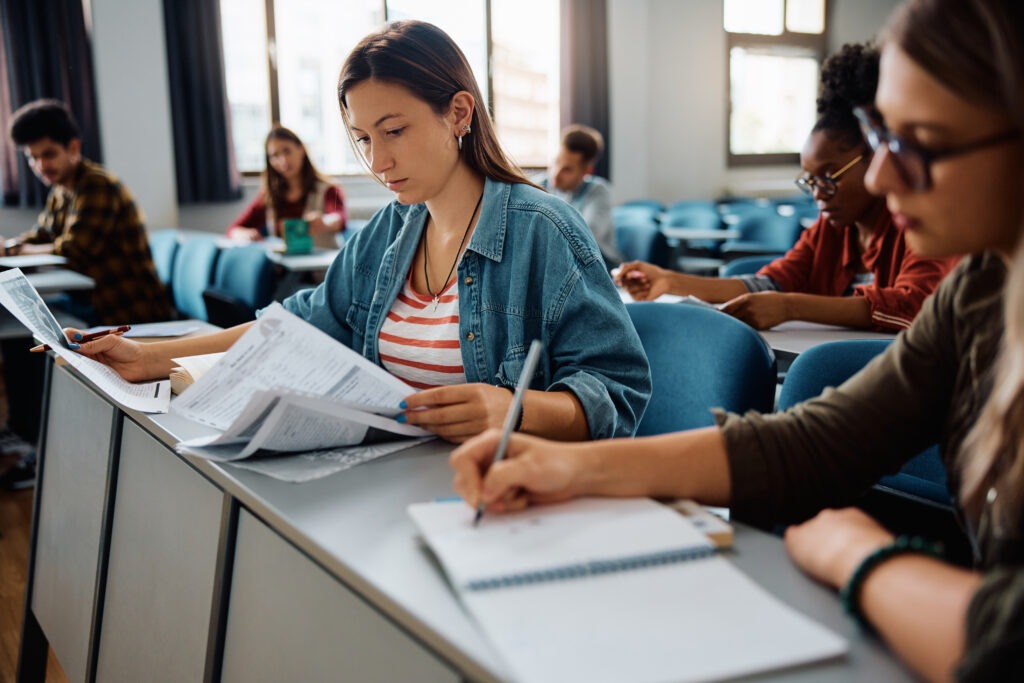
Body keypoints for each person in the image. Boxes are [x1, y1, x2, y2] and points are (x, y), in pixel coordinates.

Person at [451, 0, 1024, 679]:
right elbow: (815, 440)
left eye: (920, 142)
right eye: (883, 135)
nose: (878, 177)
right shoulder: (985, 288)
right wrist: (569, 468)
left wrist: (860, 555)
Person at [72, 21, 651, 444]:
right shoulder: (393, 228)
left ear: (459, 113)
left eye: (394, 130)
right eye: (364, 138)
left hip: (501, 493)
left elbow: (618, 391)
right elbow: (297, 322)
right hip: (394, 475)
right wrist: (151, 357)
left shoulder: (543, 231)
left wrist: (512, 407)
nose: (378, 160)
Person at [616, 43, 958, 333]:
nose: (818, 193)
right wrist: (670, 281)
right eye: (810, 181)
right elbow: (772, 284)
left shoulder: (918, 223)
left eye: (830, 176)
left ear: (874, 157)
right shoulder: (833, 229)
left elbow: (915, 305)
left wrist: (791, 307)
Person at [4, 99, 173, 326]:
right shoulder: (60, 191)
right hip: (92, 302)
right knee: (23, 318)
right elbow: (42, 235)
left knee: (27, 327)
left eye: (49, 154)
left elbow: (75, 251)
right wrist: (10, 246)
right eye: (33, 158)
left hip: (126, 308)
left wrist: (15, 250)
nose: (41, 166)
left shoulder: (97, 185)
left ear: (73, 148)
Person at [227, 125, 347, 249]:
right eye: (275, 156)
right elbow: (234, 229)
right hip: (285, 267)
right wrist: (244, 234)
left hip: (324, 266)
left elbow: (340, 219)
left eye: (287, 151)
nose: (283, 160)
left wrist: (324, 222)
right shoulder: (269, 195)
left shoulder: (330, 188)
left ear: (301, 149)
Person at [537, 124, 621, 269]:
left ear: (587, 171)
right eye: (556, 162)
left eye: (567, 169)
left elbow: (584, 238)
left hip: (597, 267)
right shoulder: (540, 185)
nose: (555, 175)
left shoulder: (598, 192)